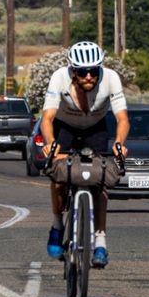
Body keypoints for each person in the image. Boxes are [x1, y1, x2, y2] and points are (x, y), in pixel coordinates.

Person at [40, 41, 128, 268]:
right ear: (72, 70)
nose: (89, 76)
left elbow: (122, 119)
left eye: (93, 71)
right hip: (65, 127)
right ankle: (58, 226)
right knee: (59, 176)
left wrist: (119, 143)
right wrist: (50, 144)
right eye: (82, 71)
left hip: (95, 129)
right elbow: (47, 118)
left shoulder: (111, 79)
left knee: (99, 183)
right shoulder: (59, 78)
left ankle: (100, 243)